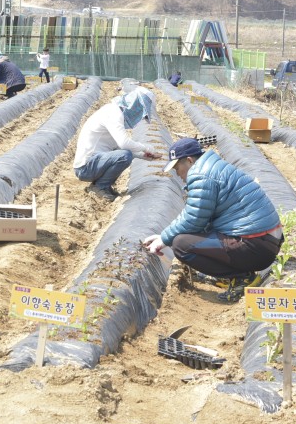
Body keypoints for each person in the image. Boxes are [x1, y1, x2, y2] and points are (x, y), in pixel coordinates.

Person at [142, 137, 283, 302]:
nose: (177, 174)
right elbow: (197, 216)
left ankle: (241, 278)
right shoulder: (212, 168)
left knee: (181, 244)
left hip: (255, 245)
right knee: (193, 235)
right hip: (266, 241)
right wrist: (163, 235)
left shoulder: (201, 175)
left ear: (189, 160)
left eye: (177, 167)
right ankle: (232, 274)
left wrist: (164, 239)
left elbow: (193, 219)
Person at [73, 86, 161, 199]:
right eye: (139, 109)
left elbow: (116, 149)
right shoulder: (113, 113)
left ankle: (104, 185)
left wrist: (143, 156)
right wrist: (146, 148)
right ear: (134, 103)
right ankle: (100, 186)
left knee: (125, 154)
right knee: (125, 156)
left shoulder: (114, 113)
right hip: (86, 166)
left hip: (94, 162)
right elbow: (124, 144)